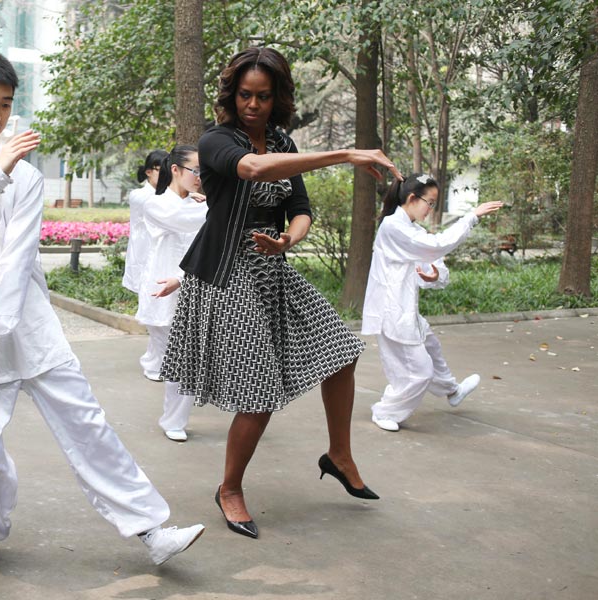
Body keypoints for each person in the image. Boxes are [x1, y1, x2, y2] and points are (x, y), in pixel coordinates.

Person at [0, 50, 204, 579]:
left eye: (6, 104)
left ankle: (152, 530)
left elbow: (18, 259)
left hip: (26, 324)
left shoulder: (27, 177)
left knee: (88, 427)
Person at [161, 47, 403, 539]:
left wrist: (289, 239)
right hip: (226, 274)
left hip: (272, 265)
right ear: (233, 95)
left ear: (277, 98)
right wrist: (347, 153)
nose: (253, 104)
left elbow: (300, 205)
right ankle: (229, 488)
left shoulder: (283, 140)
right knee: (260, 391)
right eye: (245, 95)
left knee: (342, 352)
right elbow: (252, 170)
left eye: (263, 96)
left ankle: (338, 455)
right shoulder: (215, 141)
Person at [362, 174, 503, 431]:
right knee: (419, 372)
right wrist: (472, 216)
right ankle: (385, 411)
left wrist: (435, 274)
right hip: (392, 311)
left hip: (406, 308)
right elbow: (437, 245)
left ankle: (452, 390)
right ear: (413, 198)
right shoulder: (393, 227)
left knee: (431, 346)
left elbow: (433, 262)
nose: (431, 209)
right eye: (430, 202)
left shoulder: (412, 229)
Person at [136, 145, 206, 442]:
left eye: (204, 172)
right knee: (179, 358)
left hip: (194, 286)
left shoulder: (199, 204)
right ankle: (173, 419)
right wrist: (214, 206)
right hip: (163, 292)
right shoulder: (155, 204)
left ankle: (175, 418)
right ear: (175, 170)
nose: (200, 177)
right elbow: (190, 222)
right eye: (196, 170)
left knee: (190, 357)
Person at [123, 150, 168, 380]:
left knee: (159, 311)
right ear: (149, 172)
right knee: (154, 314)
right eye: (162, 169)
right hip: (144, 262)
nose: (169, 173)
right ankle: (156, 365)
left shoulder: (165, 194)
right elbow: (166, 207)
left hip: (159, 261)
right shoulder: (140, 195)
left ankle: (153, 360)